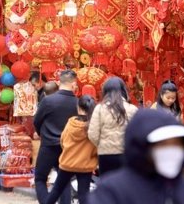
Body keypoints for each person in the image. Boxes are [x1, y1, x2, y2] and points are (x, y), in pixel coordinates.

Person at [88, 109, 184, 204]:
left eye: (176, 144)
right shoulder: (112, 192)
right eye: (163, 145)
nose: (171, 151)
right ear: (142, 147)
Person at [33, 69, 79, 204]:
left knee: (40, 178)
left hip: (48, 145)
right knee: (63, 180)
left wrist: (43, 135)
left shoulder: (48, 101)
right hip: (68, 146)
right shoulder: (78, 103)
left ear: (59, 83)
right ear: (73, 84)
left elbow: (36, 121)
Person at [45, 95, 97, 204]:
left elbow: (63, 141)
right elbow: (96, 146)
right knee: (84, 195)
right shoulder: (93, 126)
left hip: (67, 162)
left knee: (56, 191)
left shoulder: (70, 123)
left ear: (78, 107)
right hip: (85, 164)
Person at [88, 77, 138, 176]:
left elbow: (92, 134)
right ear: (124, 90)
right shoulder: (132, 109)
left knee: (107, 187)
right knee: (125, 185)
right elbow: (138, 134)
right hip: (126, 154)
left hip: (105, 155)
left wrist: (102, 144)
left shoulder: (99, 108)